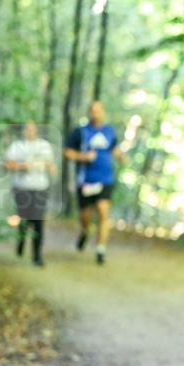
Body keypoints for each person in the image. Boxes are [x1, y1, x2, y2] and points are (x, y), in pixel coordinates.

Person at [64, 101, 123, 265]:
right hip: (86, 181)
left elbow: (113, 148)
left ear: (103, 113)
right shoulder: (80, 132)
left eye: (99, 111)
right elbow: (67, 152)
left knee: (104, 211)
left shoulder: (109, 131)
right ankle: (84, 231)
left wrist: (121, 156)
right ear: (89, 113)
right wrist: (84, 157)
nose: (96, 114)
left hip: (105, 179)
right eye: (93, 111)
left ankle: (100, 249)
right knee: (86, 216)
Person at [4, 121, 56, 267]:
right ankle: (21, 241)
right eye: (27, 129)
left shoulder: (44, 146)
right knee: (24, 219)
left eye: (32, 129)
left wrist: (50, 168)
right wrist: (23, 166)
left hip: (40, 188)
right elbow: (7, 164)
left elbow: (52, 165)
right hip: (22, 188)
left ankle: (37, 255)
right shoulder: (17, 146)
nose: (30, 131)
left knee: (39, 221)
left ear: (36, 130)